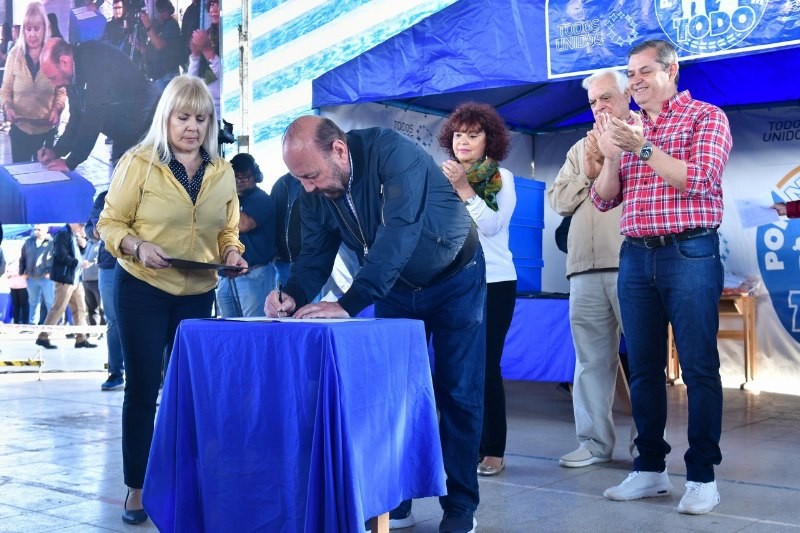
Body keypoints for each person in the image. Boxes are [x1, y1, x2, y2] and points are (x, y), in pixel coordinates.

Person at [266, 116, 485, 532]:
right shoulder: (312, 188)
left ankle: (459, 506)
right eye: (300, 179)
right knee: (392, 396)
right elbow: (314, 254)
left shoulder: (394, 153)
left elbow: (398, 235)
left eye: (311, 176)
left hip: (455, 277)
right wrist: (292, 292)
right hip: (395, 288)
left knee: (459, 391)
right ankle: (393, 499)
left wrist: (349, 303)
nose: (307, 187)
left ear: (340, 151)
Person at [97, 74, 246, 525]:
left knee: (192, 391)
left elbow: (227, 228)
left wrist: (233, 252)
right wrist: (138, 247)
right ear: (166, 117)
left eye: (202, 119)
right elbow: (110, 223)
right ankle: (136, 488)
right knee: (143, 390)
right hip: (143, 288)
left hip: (198, 292)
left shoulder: (221, 171)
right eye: (183, 117)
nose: (192, 128)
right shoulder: (138, 162)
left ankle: (190, 477)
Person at [592, 39, 732, 515]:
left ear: (672, 71)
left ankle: (701, 476)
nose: (635, 81)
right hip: (636, 255)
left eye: (645, 72)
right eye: (631, 74)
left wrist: (643, 146)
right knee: (645, 368)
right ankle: (650, 468)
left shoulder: (706, 117)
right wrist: (612, 153)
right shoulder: (628, 127)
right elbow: (604, 200)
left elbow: (702, 178)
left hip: (690, 251)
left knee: (697, 367)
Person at [548, 68, 636, 469]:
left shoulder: (646, 134)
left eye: (606, 98)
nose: (599, 107)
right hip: (583, 268)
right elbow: (559, 201)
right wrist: (589, 169)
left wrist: (612, 162)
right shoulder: (579, 148)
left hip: (634, 264)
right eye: (593, 102)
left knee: (644, 363)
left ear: (628, 94)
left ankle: (647, 448)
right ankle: (594, 443)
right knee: (589, 363)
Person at [438, 102, 516, 478]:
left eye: (473, 134)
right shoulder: (439, 177)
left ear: (490, 140)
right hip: (451, 284)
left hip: (494, 282)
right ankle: (460, 445)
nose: (463, 141)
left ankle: (494, 449)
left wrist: (464, 188)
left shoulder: (502, 178)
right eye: (458, 134)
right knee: (453, 368)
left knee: (485, 367)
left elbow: (492, 227)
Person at [37, 37, 161, 170]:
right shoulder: (72, 73)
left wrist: (71, 162)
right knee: (121, 180)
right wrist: (56, 151)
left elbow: (94, 114)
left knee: (139, 183)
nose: (53, 85)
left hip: (149, 126)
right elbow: (76, 117)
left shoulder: (94, 58)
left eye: (53, 78)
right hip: (125, 131)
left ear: (64, 62)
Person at [0, 2, 67, 163]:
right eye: (28, 29)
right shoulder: (14, 55)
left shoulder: (53, 54)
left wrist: (57, 109)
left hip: (46, 132)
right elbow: (5, 90)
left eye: (37, 29)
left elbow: (61, 91)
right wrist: (7, 107)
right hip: (20, 130)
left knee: (43, 177)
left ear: (45, 29)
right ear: (23, 30)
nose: (32, 34)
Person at [216, 153, 275, 317]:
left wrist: (225, 198)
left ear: (256, 176)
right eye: (236, 177)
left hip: (254, 275)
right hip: (226, 276)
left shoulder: (261, 199)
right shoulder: (230, 199)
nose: (240, 181)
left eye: (245, 177)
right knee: (229, 328)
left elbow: (243, 225)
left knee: (254, 326)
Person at [35, 223, 97, 350]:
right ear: (75, 223)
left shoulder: (72, 235)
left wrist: (83, 247)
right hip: (65, 278)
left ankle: (81, 338)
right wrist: (79, 263)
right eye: (81, 226)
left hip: (75, 278)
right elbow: (61, 255)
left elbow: (76, 254)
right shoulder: (63, 234)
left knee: (80, 309)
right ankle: (43, 337)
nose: (82, 229)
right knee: (58, 308)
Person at [87, 190, 125, 391]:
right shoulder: (104, 197)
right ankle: (116, 373)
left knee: (150, 318)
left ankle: (160, 375)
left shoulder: (150, 188)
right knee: (113, 320)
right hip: (109, 265)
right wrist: (96, 230)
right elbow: (90, 229)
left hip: (144, 263)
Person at [137, 0, 183, 90]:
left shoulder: (171, 25)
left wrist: (148, 26)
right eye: (159, 11)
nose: (160, 14)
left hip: (167, 75)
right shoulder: (159, 26)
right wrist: (137, 45)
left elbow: (159, 45)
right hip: (157, 75)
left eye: (163, 11)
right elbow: (150, 50)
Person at [188, 0, 220, 118]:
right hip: (201, 107)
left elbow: (227, 76)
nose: (214, 9)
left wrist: (207, 50)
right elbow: (191, 79)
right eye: (211, 4)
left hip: (221, 112)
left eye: (218, 4)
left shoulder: (231, 35)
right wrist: (195, 54)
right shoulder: (205, 35)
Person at [271, 171, 302, 287]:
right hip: (282, 258)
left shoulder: (315, 182)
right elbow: (272, 218)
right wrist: (273, 248)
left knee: (309, 301)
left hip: (307, 257)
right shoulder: (281, 184)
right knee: (282, 300)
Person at [19, 224, 54, 325]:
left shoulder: (52, 242)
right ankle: (33, 325)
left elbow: (57, 259)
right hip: (31, 277)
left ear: (46, 230)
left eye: (39, 229)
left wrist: (51, 272)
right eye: (35, 229)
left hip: (46, 278)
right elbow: (22, 258)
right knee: (33, 302)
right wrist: (22, 272)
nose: (36, 231)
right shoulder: (28, 242)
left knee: (50, 303)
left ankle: (52, 326)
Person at [4, 256, 29, 324]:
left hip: (23, 287)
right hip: (13, 287)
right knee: (15, 305)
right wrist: (15, 273)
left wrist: (14, 273)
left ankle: (25, 322)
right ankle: (16, 322)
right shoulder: (10, 263)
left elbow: (24, 273)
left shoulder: (24, 262)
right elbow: (7, 274)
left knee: (24, 305)